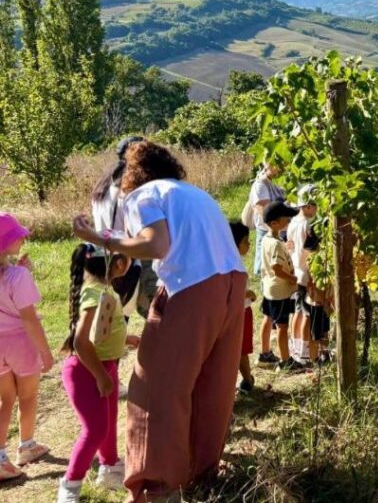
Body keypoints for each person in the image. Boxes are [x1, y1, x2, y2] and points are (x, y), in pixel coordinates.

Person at [72, 140, 248, 502]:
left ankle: (156, 487)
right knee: (211, 386)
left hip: (191, 288)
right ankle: (201, 476)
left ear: (132, 178)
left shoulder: (142, 195)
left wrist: (98, 236)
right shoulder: (194, 193)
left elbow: (155, 245)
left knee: (154, 389)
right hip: (233, 284)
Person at [58, 243, 139, 502]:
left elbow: (101, 331)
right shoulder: (95, 292)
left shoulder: (104, 289)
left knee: (109, 421)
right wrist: (101, 377)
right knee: (94, 430)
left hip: (105, 366)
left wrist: (126, 339)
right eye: (129, 258)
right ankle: (70, 486)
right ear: (117, 263)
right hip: (87, 371)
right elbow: (82, 342)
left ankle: (110, 468)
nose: (131, 262)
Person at [0, 214, 53, 483]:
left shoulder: (14, 273)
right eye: (17, 236)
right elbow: (29, 318)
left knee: (5, 400)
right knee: (28, 396)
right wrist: (45, 352)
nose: (23, 238)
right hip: (21, 343)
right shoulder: (17, 276)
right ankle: (27, 446)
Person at [91, 136, 154, 322]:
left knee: (111, 323)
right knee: (149, 314)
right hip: (125, 261)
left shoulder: (103, 185)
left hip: (105, 258)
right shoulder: (128, 189)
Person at [258, 200, 304, 372]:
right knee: (282, 327)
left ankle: (264, 354)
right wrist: (292, 278)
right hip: (280, 291)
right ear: (274, 223)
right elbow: (277, 269)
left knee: (268, 318)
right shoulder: (276, 244)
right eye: (286, 219)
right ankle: (286, 361)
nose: (289, 221)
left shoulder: (267, 238)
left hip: (269, 289)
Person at [287, 184, 317, 365]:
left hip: (296, 271)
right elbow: (311, 252)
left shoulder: (292, 224)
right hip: (306, 272)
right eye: (315, 205)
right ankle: (306, 351)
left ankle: (295, 347)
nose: (317, 209)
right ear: (307, 206)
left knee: (297, 311)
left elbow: (289, 247)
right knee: (307, 313)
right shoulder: (308, 226)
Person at [229, 222, 258, 394]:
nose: (249, 245)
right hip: (241, 312)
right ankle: (247, 380)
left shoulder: (225, 260)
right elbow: (235, 291)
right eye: (246, 241)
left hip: (231, 312)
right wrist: (249, 293)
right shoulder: (235, 265)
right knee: (242, 350)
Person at [247, 162, 285, 276]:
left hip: (277, 230)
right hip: (267, 230)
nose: (281, 167)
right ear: (267, 166)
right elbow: (263, 209)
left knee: (273, 265)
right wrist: (275, 229)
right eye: (276, 163)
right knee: (264, 268)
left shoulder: (272, 182)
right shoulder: (260, 184)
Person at [301, 232, 333, 365]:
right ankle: (314, 360)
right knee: (315, 335)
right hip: (317, 303)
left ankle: (323, 354)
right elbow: (317, 286)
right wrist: (325, 302)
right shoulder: (317, 263)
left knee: (323, 331)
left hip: (316, 302)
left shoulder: (311, 259)